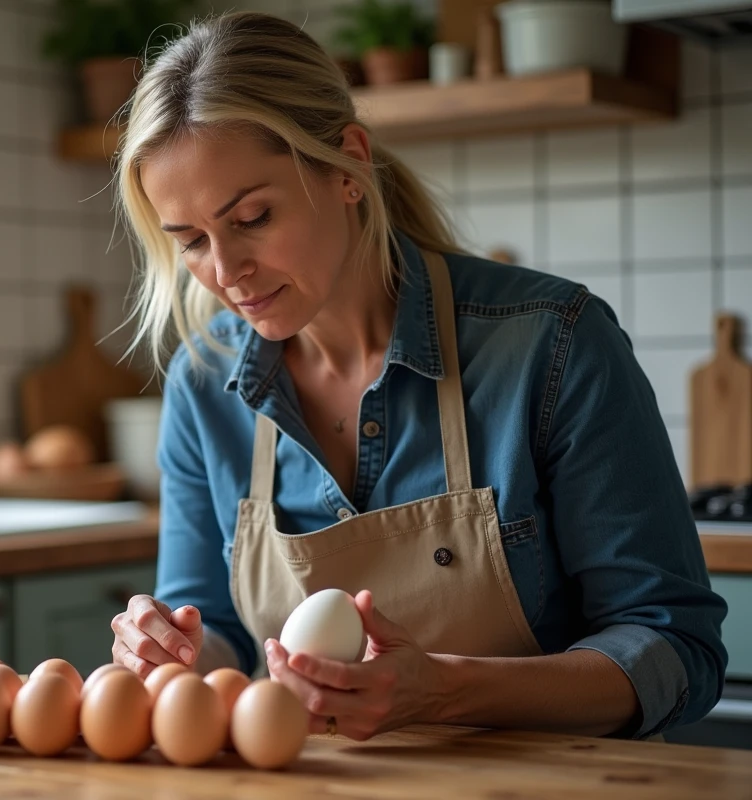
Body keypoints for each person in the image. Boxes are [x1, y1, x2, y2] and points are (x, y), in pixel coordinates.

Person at [106, 10, 727, 742]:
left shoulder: (552, 346)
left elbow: (673, 649)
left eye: (252, 217)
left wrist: (445, 690)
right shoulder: (204, 383)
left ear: (348, 167)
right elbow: (215, 632)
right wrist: (171, 649)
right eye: (190, 242)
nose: (225, 270)